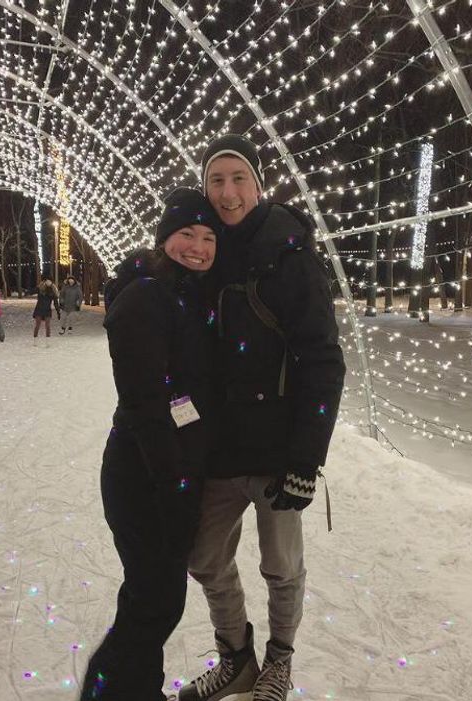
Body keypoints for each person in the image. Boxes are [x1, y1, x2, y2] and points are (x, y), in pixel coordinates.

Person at [177, 135, 345, 701]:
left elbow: (323, 360)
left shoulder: (290, 255)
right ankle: (236, 658)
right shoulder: (203, 252)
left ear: (258, 183)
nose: (228, 193)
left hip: (278, 451)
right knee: (204, 557)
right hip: (221, 449)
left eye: (238, 178)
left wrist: (305, 458)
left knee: (281, 567)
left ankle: (279, 661)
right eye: (216, 181)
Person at [79, 188, 221, 701]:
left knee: (153, 597)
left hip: (170, 469)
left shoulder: (188, 294)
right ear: (164, 239)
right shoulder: (146, 296)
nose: (198, 247)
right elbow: (145, 405)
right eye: (186, 234)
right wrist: (174, 487)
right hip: (144, 474)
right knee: (154, 601)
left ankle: (138, 690)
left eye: (208, 237)